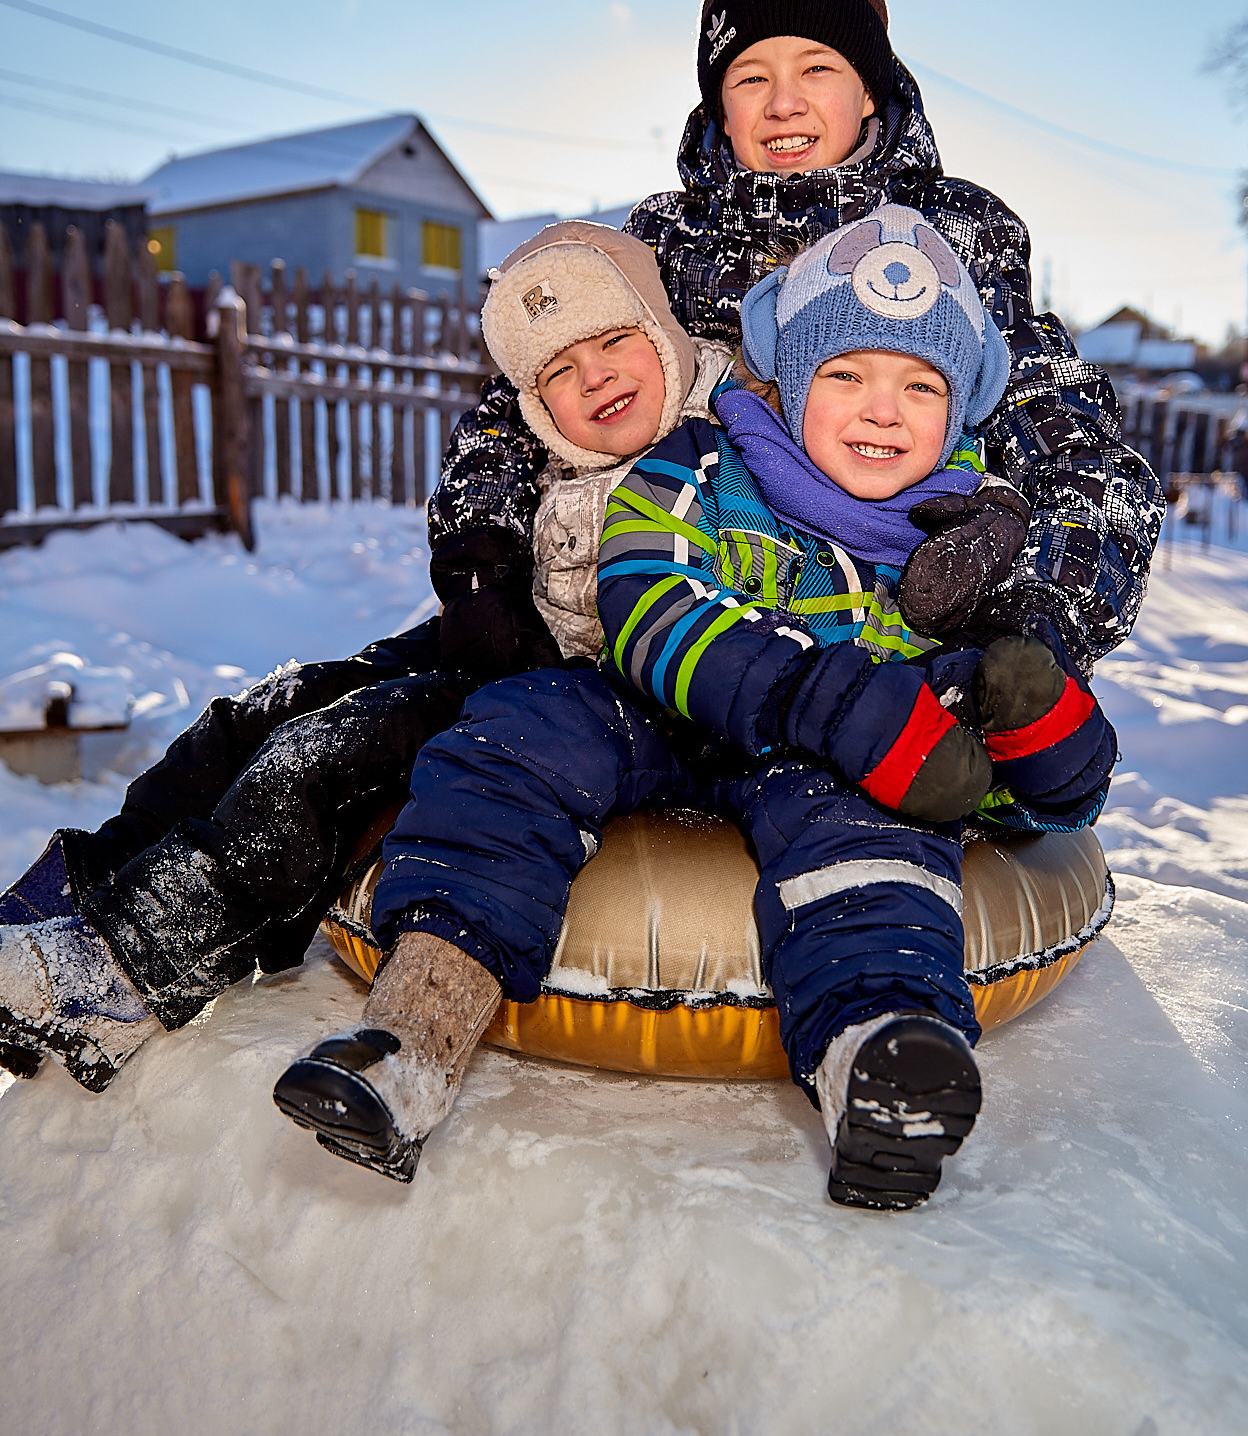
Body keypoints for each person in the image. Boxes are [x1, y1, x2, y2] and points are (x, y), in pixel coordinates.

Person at [275, 206, 1116, 1208]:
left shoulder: (967, 539)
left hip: (824, 773)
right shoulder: (704, 464)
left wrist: (1040, 739)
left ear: (956, 411)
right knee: (512, 735)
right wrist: (827, 691)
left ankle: (879, 1059)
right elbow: (649, 600)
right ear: (789, 380)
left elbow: (996, 780)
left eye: (919, 385)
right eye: (845, 375)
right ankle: (413, 1032)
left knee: (876, 834)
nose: (882, 411)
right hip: (657, 707)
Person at [0, 223, 730, 1094]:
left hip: (615, 690)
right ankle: (64, 903)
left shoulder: (732, 440)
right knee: (277, 706)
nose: (595, 376)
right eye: (557, 372)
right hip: (525, 639)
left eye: (615, 342)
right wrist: (482, 587)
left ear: (664, 334)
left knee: (336, 754)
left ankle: (122, 974)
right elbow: (484, 476)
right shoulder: (544, 459)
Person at [430, 0, 1163, 683]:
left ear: (870, 92)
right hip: (671, 605)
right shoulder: (669, 238)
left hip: (883, 626)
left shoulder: (950, 235)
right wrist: (482, 556)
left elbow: (1068, 436)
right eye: (750, 77)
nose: (784, 103)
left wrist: (1033, 613)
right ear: (718, 106)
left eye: (818, 67)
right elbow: (526, 400)